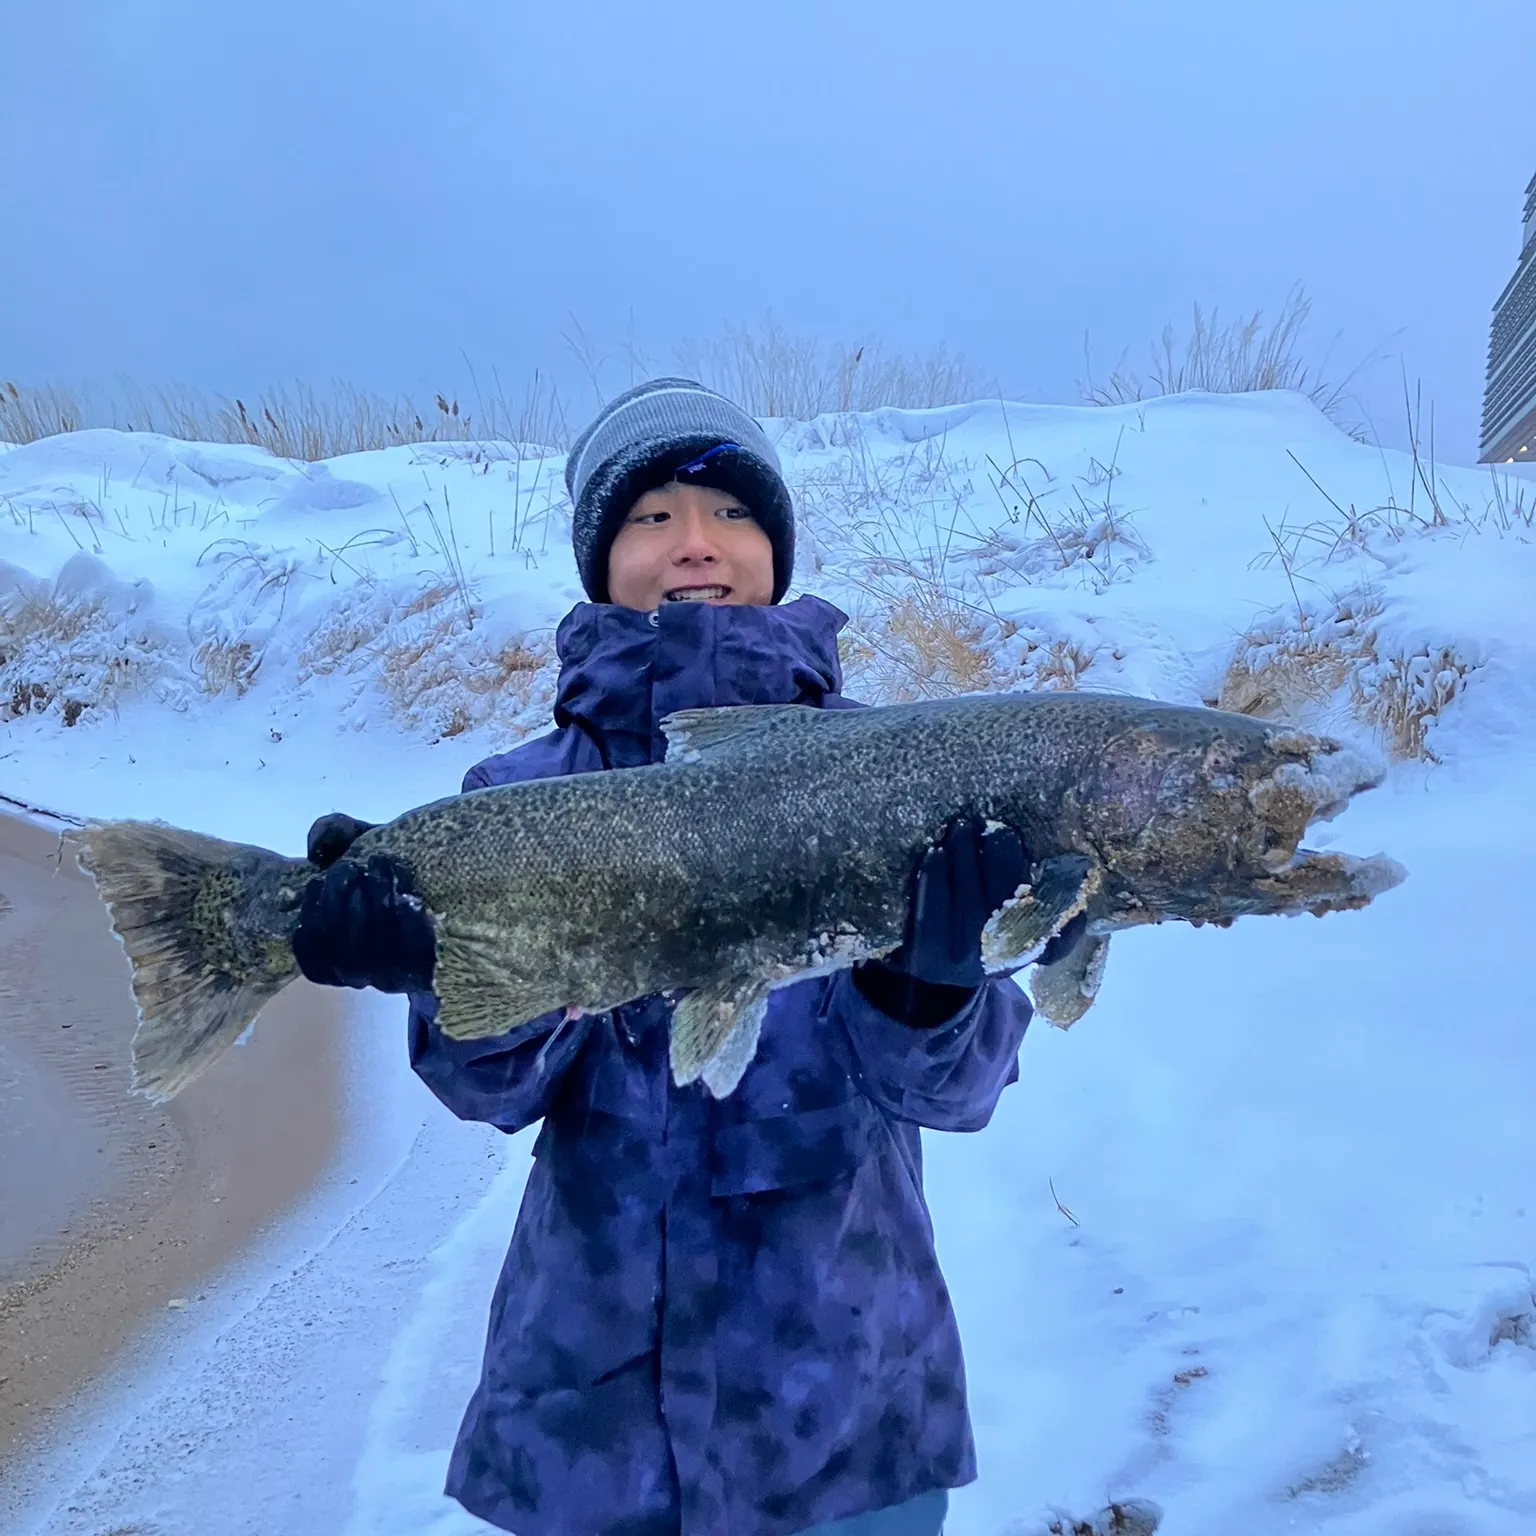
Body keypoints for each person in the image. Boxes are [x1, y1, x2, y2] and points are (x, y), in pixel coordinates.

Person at [293, 378, 1066, 1536]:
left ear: (778, 547)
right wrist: (435, 974)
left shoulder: (910, 768)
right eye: (651, 515)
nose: (696, 543)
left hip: (851, 1410)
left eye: (732, 513)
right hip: (592, 1425)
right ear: (600, 558)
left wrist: (932, 991)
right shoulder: (517, 797)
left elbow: (957, 1094)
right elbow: (488, 1089)